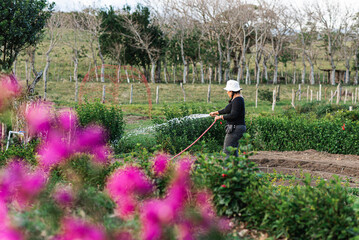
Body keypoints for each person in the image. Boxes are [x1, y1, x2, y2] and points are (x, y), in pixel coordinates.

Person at [209, 80, 246, 158]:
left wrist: (221, 117)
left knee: (227, 151)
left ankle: (226, 169)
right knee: (233, 150)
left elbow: (233, 115)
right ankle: (235, 168)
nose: (227, 93)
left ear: (232, 91)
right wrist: (216, 113)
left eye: (228, 91)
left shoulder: (237, 100)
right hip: (238, 127)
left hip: (236, 128)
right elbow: (227, 110)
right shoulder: (236, 100)